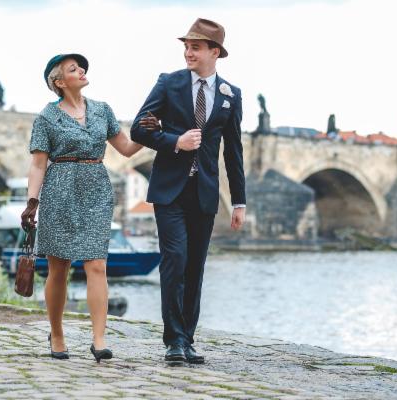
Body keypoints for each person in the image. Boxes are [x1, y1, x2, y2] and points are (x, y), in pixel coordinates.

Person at [132, 18, 246, 364]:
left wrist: (239, 201)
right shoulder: (169, 84)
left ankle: (187, 339)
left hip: (205, 193)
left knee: (195, 267)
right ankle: (173, 341)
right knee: (175, 259)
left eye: (195, 47)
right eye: (186, 47)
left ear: (215, 52)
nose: (188, 53)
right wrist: (175, 141)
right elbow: (139, 129)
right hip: (169, 190)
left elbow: (234, 152)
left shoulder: (230, 95)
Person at [21, 53, 143, 362]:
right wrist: (32, 203)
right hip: (59, 191)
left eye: (81, 67)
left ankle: (99, 339)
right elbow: (38, 164)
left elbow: (127, 148)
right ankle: (57, 334)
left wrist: (148, 132)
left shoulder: (103, 110)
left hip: (96, 191)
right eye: (73, 69)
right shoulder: (47, 117)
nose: (82, 70)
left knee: (97, 264)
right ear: (59, 82)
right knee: (59, 268)